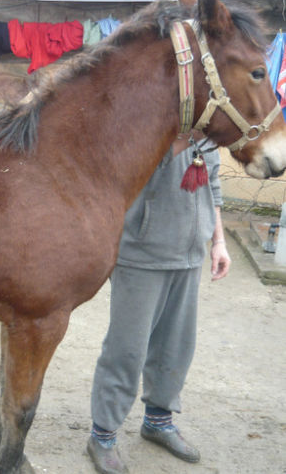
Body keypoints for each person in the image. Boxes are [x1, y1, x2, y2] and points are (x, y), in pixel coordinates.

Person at [86, 131, 231, 474]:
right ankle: (102, 435)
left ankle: (158, 421)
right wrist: (178, 139)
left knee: (176, 346)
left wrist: (218, 241)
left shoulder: (207, 131)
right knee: (127, 350)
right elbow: (127, 170)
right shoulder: (150, 116)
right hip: (142, 253)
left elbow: (212, 185)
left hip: (190, 254)